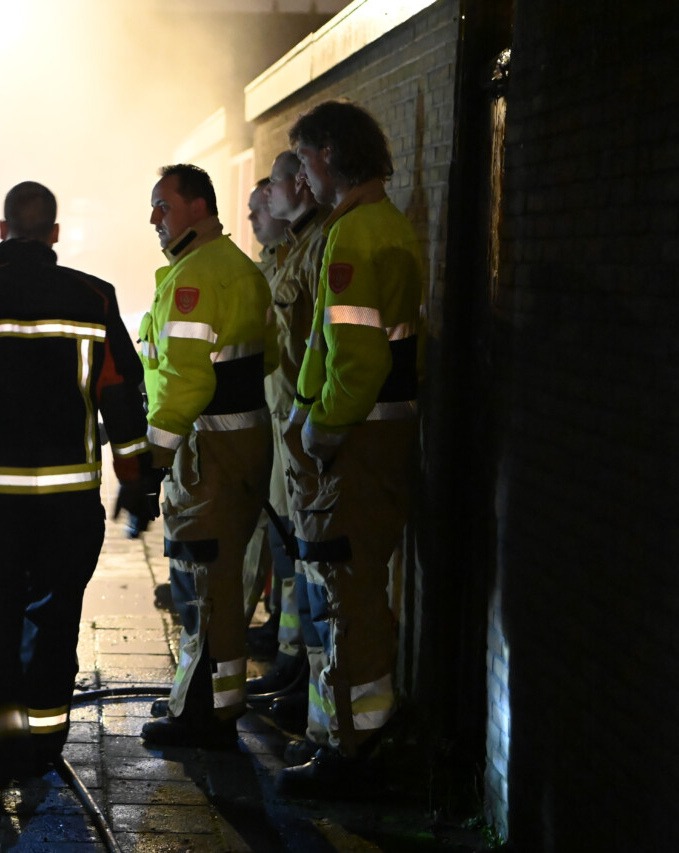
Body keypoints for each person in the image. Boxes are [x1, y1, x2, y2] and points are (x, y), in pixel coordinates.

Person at [0, 181, 158, 794]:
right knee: (56, 622)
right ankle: (45, 748)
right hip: (69, 508)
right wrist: (136, 480)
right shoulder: (94, 298)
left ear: (2, 231)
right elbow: (122, 397)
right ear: (54, 234)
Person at [277, 101, 424, 796]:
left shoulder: (354, 235)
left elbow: (357, 360)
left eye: (305, 159)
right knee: (351, 587)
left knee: (347, 594)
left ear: (330, 153)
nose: (301, 177)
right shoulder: (380, 224)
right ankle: (344, 736)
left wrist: (319, 429)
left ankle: (352, 752)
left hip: (355, 442)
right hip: (375, 437)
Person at [137, 164, 274, 749]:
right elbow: (265, 359)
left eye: (163, 206)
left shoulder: (195, 276)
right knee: (220, 581)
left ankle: (204, 716)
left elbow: (185, 381)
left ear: (198, 207)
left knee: (203, 586)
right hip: (240, 446)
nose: (153, 218)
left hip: (207, 453)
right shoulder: (238, 267)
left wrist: (153, 459)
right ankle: (206, 699)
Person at [246, 151, 330, 713]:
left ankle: (304, 673)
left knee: (306, 553)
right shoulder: (292, 250)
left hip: (307, 426)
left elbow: (320, 348)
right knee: (288, 546)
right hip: (285, 421)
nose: (264, 205)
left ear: (297, 183)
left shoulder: (319, 246)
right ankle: (293, 660)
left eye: (271, 189)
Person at [240, 177, 289, 649]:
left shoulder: (296, 264)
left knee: (283, 535)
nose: (253, 215)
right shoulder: (262, 271)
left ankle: (287, 643)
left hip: (290, 418)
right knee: (273, 531)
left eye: (261, 206)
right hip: (271, 413)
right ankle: (276, 627)